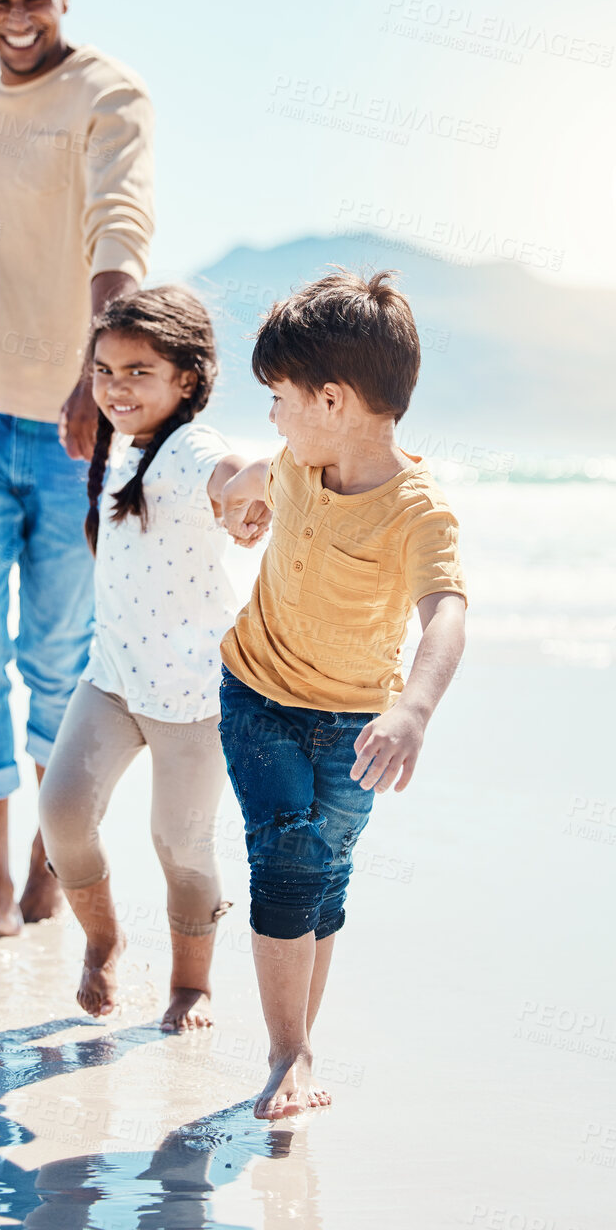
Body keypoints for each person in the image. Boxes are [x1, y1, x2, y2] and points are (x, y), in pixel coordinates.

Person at [0, 0, 155, 951]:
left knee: (56, 663)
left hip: (71, 424)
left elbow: (120, 230)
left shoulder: (113, 95)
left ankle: (47, 867)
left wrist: (94, 370)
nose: (18, 17)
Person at [216, 270, 468, 1120]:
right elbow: (253, 474)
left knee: (324, 877)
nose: (274, 418)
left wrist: (414, 708)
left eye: (278, 398)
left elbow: (445, 613)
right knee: (283, 858)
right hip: (256, 692)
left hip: (358, 717)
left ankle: (300, 1043)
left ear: (330, 400)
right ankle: (286, 1052)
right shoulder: (297, 458)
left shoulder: (417, 512)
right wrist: (231, 501)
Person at [39, 287, 258, 1031]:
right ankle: (103, 939)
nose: (115, 386)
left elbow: (228, 473)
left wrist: (248, 494)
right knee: (62, 812)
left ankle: (189, 985)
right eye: (103, 369)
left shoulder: (191, 446)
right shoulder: (120, 445)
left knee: (181, 843)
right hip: (113, 678)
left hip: (192, 696)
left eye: (138, 371)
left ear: (186, 380)